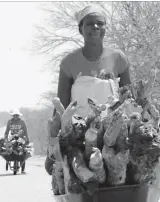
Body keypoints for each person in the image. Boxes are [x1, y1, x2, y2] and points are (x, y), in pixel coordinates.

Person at [45, 4, 132, 175]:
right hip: (80, 134)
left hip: (114, 133)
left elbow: (130, 99)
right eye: (90, 24)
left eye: (100, 23)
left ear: (106, 27)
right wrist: (52, 147)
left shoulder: (118, 58)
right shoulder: (69, 62)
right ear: (80, 29)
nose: (96, 27)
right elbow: (61, 105)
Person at [4, 109, 29, 173]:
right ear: (13, 116)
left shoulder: (22, 122)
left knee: (23, 150)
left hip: (21, 138)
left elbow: (25, 131)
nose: (16, 117)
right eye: (14, 115)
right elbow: (6, 131)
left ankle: (23, 169)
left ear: (18, 116)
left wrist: (26, 139)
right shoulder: (10, 122)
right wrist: (6, 138)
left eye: (17, 115)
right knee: (9, 148)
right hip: (12, 137)